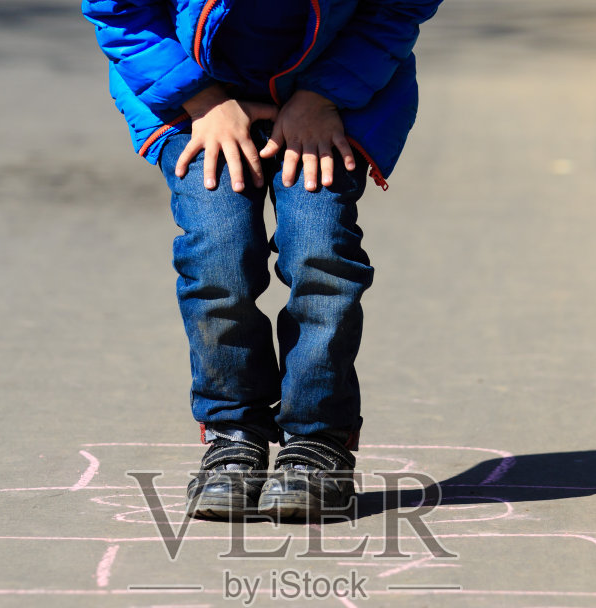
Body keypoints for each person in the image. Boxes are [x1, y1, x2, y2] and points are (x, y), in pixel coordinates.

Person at [82, 0, 443, 520]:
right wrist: (202, 101)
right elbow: (119, 10)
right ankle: (233, 434)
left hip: (329, 96)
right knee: (219, 255)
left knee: (323, 254)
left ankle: (319, 442)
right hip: (192, 98)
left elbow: (396, 7)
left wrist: (322, 97)